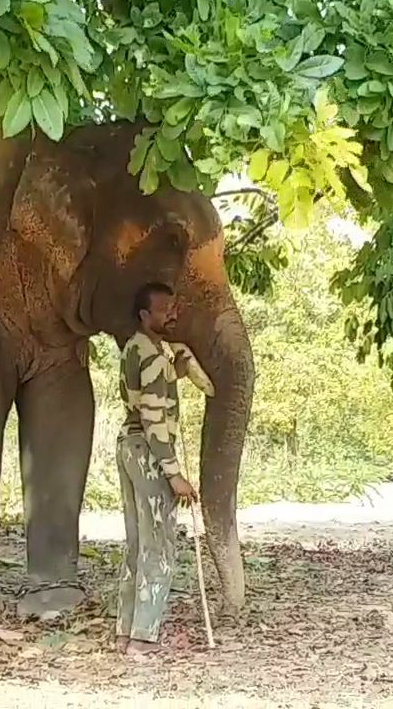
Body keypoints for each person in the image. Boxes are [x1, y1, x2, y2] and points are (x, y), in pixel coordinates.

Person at [113, 281, 215, 657]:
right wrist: (174, 473)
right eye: (163, 310)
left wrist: (177, 373)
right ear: (144, 316)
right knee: (159, 546)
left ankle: (125, 633)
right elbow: (154, 417)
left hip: (128, 444)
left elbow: (142, 396)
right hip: (150, 452)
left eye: (173, 308)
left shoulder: (136, 349)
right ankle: (144, 638)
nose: (171, 314)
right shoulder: (154, 357)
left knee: (136, 544)